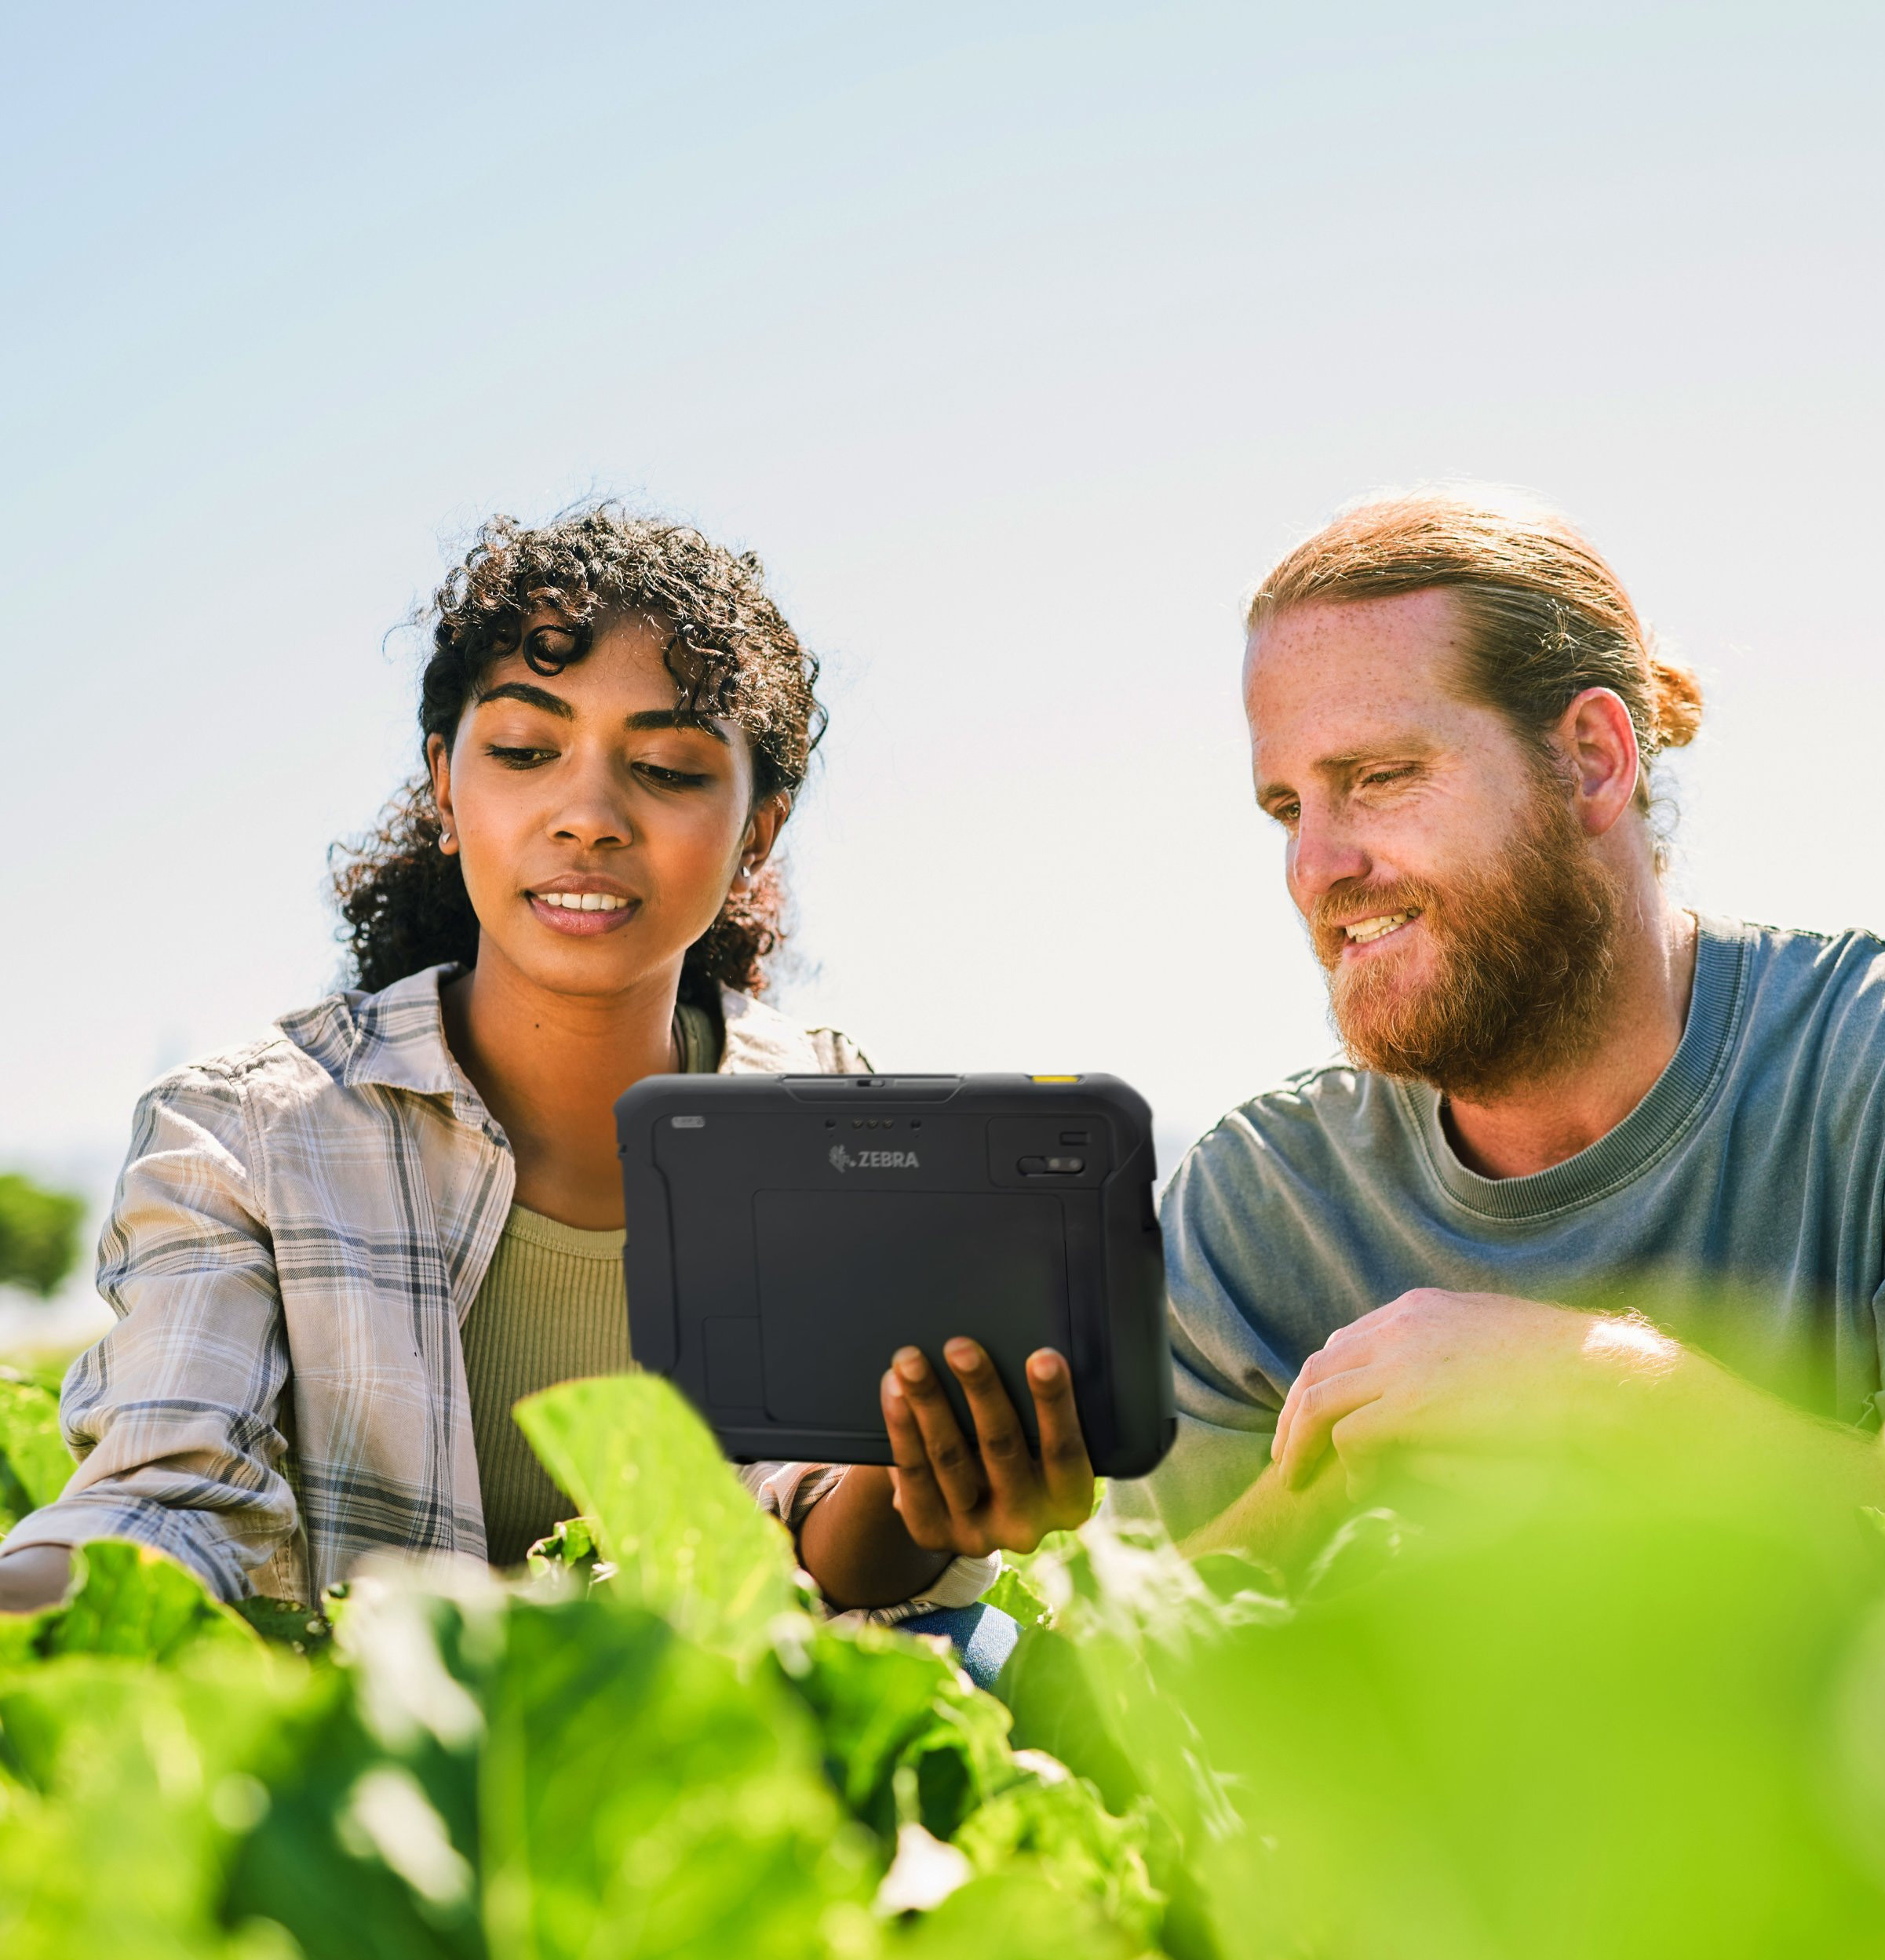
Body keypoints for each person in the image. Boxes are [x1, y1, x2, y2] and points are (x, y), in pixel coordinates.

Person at [0, 509, 1092, 1666]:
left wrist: (922, 1496)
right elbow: (165, 1503)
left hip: (708, 1749)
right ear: (446, 788)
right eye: (525, 753)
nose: (589, 817)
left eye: (668, 769)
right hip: (353, 1786)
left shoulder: (832, 1117)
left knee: (994, 1656)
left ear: (758, 834)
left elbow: (817, 1547)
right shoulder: (244, 1130)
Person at [1139, 489, 1885, 1562]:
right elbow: (1131, 1661)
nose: (1315, 870)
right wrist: (1340, 1472)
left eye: (1379, 778)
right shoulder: (1251, 1208)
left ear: (1594, 760)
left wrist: (1612, 1394)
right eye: (1289, 810)